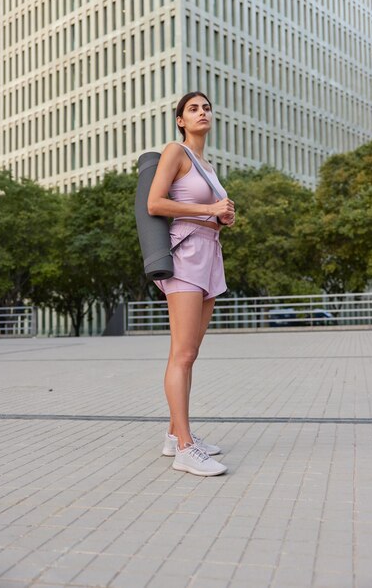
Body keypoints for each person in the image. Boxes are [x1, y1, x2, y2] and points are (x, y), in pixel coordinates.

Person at [147, 91, 235, 476]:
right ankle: (185, 448)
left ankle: (174, 434)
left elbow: (211, 213)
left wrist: (222, 217)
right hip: (185, 256)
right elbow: (155, 203)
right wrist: (208, 209)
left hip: (210, 254)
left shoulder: (208, 165)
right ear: (181, 120)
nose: (202, 113)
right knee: (181, 353)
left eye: (206, 108)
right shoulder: (176, 152)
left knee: (190, 352)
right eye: (193, 109)